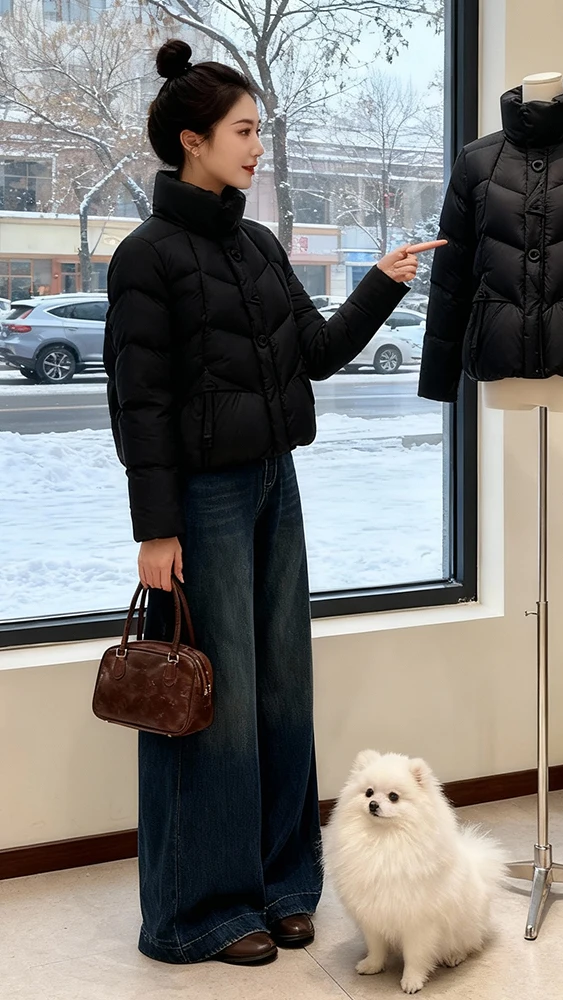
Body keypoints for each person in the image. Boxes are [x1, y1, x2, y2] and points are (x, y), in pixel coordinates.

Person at [102, 38, 445, 968]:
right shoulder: (145, 257)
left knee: (283, 691)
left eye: (258, 131)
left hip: (271, 487)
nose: (258, 147)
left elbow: (318, 353)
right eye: (244, 131)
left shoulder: (254, 245)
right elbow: (141, 405)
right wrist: (155, 531)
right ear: (192, 141)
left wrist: (383, 283)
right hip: (199, 505)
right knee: (215, 705)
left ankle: (285, 885)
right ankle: (200, 910)